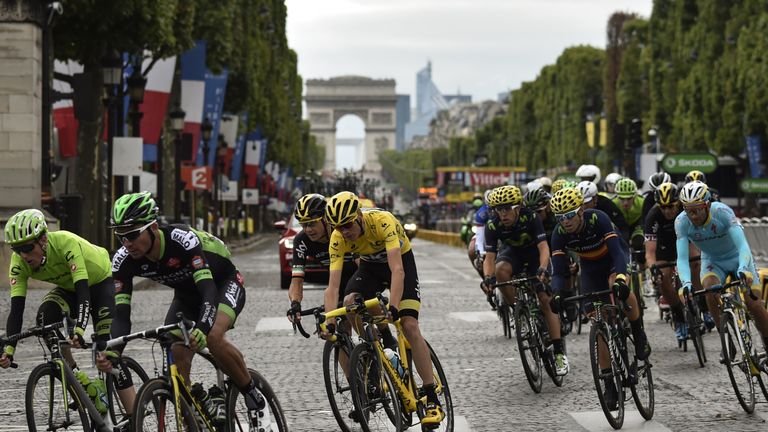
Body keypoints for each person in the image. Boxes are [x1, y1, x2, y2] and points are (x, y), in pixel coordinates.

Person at [105, 192, 265, 425]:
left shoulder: (181, 239)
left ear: (153, 227)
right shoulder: (123, 260)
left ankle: (252, 393)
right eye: (121, 237)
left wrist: (201, 327)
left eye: (131, 235)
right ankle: (194, 412)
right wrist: (114, 350)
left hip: (221, 283)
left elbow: (208, 291)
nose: (127, 243)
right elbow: (121, 313)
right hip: (186, 295)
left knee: (213, 336)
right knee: (174, 345)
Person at [322, 191, 445, 426]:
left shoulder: (382, 221)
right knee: (350, 304)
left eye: (348, 225)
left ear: (359, 216)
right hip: (370, 268)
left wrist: (395, 308)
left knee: (409, 325)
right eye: (339, 227)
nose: (345, 231)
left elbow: (397, 270)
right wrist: (329, 321)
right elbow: (332, 286)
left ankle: (431, 396)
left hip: (400, 264)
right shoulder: (338, 237)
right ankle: (376, 344)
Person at [548, 187, 651, 410]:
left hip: (613, 259)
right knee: (598, 322)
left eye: (568, 215)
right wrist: (556, 292)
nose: (564, 222)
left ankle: (637, 331)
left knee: (616, 284)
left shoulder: (598, 218)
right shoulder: (559, 233)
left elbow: (617, 253)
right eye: (559, 217)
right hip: (590, 268)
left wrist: (622, 278)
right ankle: (609, 384)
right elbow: (558, 270)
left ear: (580, 211)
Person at [1, 209, 116, 381]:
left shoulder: (65, 242)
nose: (23, 255)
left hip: (99, 282)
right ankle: (76, 378)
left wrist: (79, 330)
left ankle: (133, 407)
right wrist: (9, 349)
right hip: (69, 288)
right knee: (44, 319)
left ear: (44, 240)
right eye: (17, 249)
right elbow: (16, 310)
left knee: (108, 354)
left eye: (27, 247)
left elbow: (83, 290)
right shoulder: (19, 263)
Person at [675, 181, 768, 367]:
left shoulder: (722, 212)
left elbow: (743, 246)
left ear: (707, 204)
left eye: (697, 210)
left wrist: (743, 268)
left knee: (754, 303)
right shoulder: (681, 222)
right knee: (710, 290)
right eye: (688, 210)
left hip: (738, 258)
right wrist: (685, 283)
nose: (692, 215)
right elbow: (683, 258)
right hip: (712, 261)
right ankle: (727, 341)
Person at [483, 186, 567, 375]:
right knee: (499, 271)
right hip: (513, 254)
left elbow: (544, 247)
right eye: (498, 209)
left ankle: (559, 353)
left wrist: (544, 268)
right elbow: (489, 257)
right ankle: (518, 312)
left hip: (535, 253)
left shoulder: (531, 217)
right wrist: (488, 278)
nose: (502, 214)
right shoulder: (493, 225)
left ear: (518, 208)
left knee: (545, 300)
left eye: (506, 209)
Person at [644, 183, 708, 343]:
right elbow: (650, 252)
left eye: (671, 206)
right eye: (663, 207)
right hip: (664, 247)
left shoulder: (686, 211)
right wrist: (653, 269)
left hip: (686, 241)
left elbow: (698, 239)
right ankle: (679, 318)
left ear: (678, 203)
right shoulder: (653, 216)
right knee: (661, 276)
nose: (667, 211)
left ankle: (703, 304)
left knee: (696, 264)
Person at [468, 190, 497, 309]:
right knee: (471, 250)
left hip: (499, 235)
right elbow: (479, 237)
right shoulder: (481, 213)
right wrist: (480, 252)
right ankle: (485, 278)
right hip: (485, 235)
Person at [612, 178, 646, 266]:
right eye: (622, 199)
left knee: (638, 243)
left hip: (636, 223)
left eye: (629, 198)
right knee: (622, 243)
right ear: (617, 196)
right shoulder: (612, 204)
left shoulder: (642, 202)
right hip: (621, 225)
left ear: (635, 196)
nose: (625, 203)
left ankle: (642, 267)